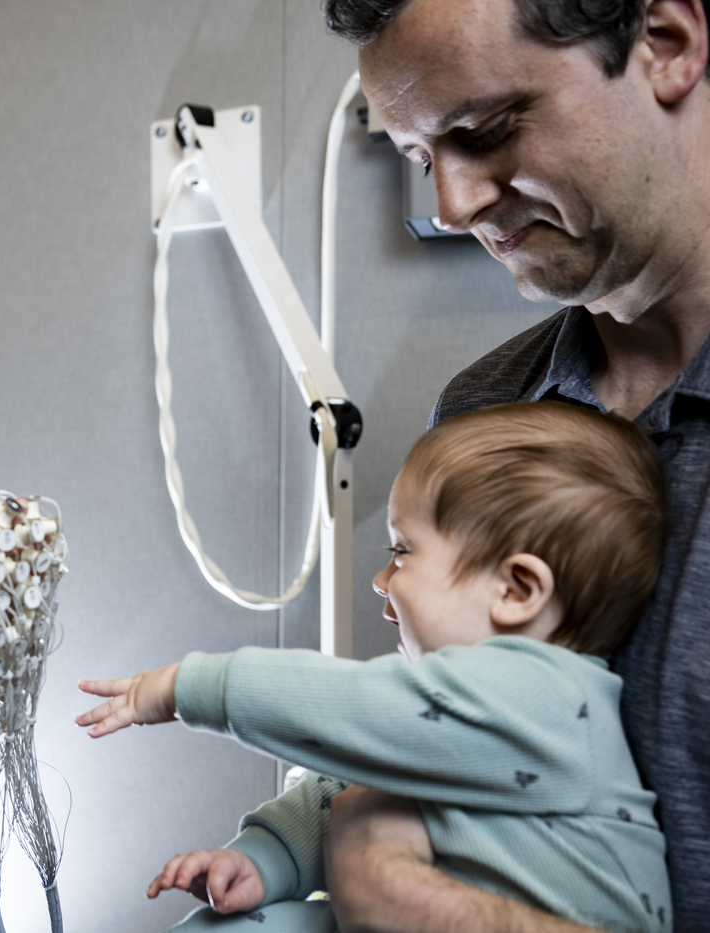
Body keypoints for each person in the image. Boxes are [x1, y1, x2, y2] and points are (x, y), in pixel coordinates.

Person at [315, 0, 710, 929]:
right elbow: (429, 750)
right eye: (422, 159)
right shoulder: (487, 409)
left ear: (665, 44)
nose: (453, 206)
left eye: (486, 130)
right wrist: (361, 841)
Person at [76, 403, 670, 933]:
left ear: (516, 590)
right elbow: (345, 790)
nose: (381, 580)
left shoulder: (545, 699)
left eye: (401, 552)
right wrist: (261, 859)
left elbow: (350, 708)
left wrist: (189, 686)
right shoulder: (465, 721)